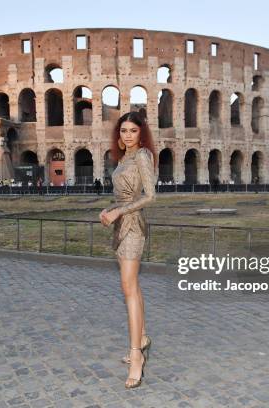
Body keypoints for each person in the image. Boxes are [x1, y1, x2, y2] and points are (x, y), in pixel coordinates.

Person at [99, 111, 155, 389]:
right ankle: (142, 337)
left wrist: (119, 210)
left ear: (140, 134)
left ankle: (137, 357)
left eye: (133, 130)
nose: (128, 135)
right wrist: (110, 211)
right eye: (124, 131)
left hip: (134, 229)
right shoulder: (123, 159)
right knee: (132, 286)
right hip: (120, 226)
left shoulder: (143, 156)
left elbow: (150, 195)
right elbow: (123, 195)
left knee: (128, 289)